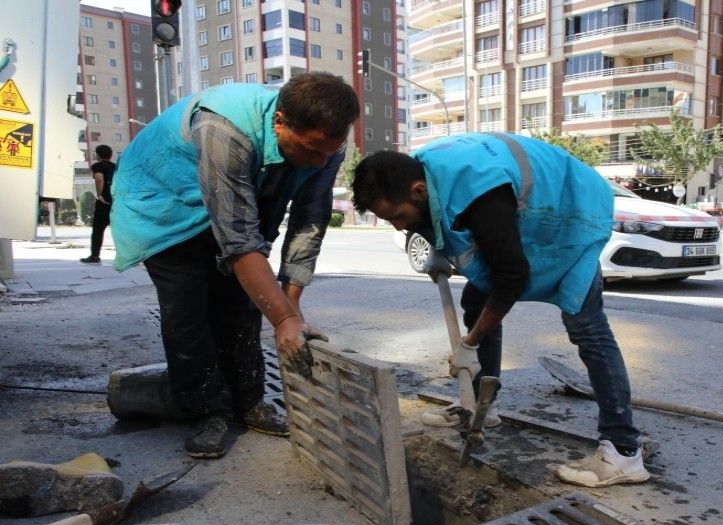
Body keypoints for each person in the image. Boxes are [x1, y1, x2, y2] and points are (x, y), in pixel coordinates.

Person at [351, 133, 650, 487]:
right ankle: (481, 406)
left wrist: (470, 344)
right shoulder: (418, 171)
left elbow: (512, 278)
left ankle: (624, 451)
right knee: (476, 300)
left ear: (417, 191)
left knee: (587, 327)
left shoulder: (479, 192)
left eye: (397, 216)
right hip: (526, 207)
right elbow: (443, 222)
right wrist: (436, 248)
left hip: (572, 212)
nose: (399, 226)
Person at [110, 73, 359, 459]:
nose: (320, 162)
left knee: (243, 305)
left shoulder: (326, 143)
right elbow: (239, 241)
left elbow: (309, 221)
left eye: (330, 152)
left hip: (227, 204)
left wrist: (289, 311)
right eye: (311, 151)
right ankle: (206, 410)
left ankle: (248, 402)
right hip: (164, 205)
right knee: (188, 311)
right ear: (279, 122)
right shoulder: (224, 129)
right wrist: (281, 320)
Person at [80, 144, 116, 264]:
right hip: (116, 202)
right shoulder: (115, 167)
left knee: (98, 230)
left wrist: (100, 195)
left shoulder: (98, 166)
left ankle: (95, 256)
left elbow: (99, 178)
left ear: (98, 155)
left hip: (104, 203)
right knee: (121, 230)